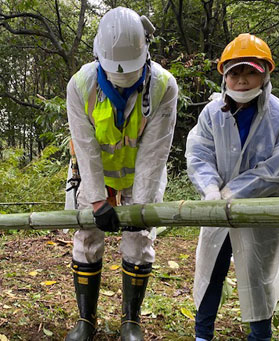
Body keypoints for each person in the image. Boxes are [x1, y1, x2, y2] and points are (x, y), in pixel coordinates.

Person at [65, 7, 177, 341]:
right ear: (98, 55)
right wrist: (98, 200)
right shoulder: (81, 85)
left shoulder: (163, 86)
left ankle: (131, 321)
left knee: (139, 241)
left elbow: (154, 151)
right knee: (86, 237)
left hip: (141, 178)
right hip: (93, 176)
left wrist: (139, 209)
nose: (122, 76)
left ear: (146, 53)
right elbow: (84, 146)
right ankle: (86, 320)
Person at [185, 33, 279, 340]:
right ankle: (202, 334)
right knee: (212, 268)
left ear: (265, 72)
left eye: (250, 71)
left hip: (264, 209)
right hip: (217, 207)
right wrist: (211, 189)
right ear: (225, 75)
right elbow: (199, 154)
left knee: (258, 273)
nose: (242, 79)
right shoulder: (212, 113)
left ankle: (260, 335)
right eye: (235, 72)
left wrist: (236, 191)